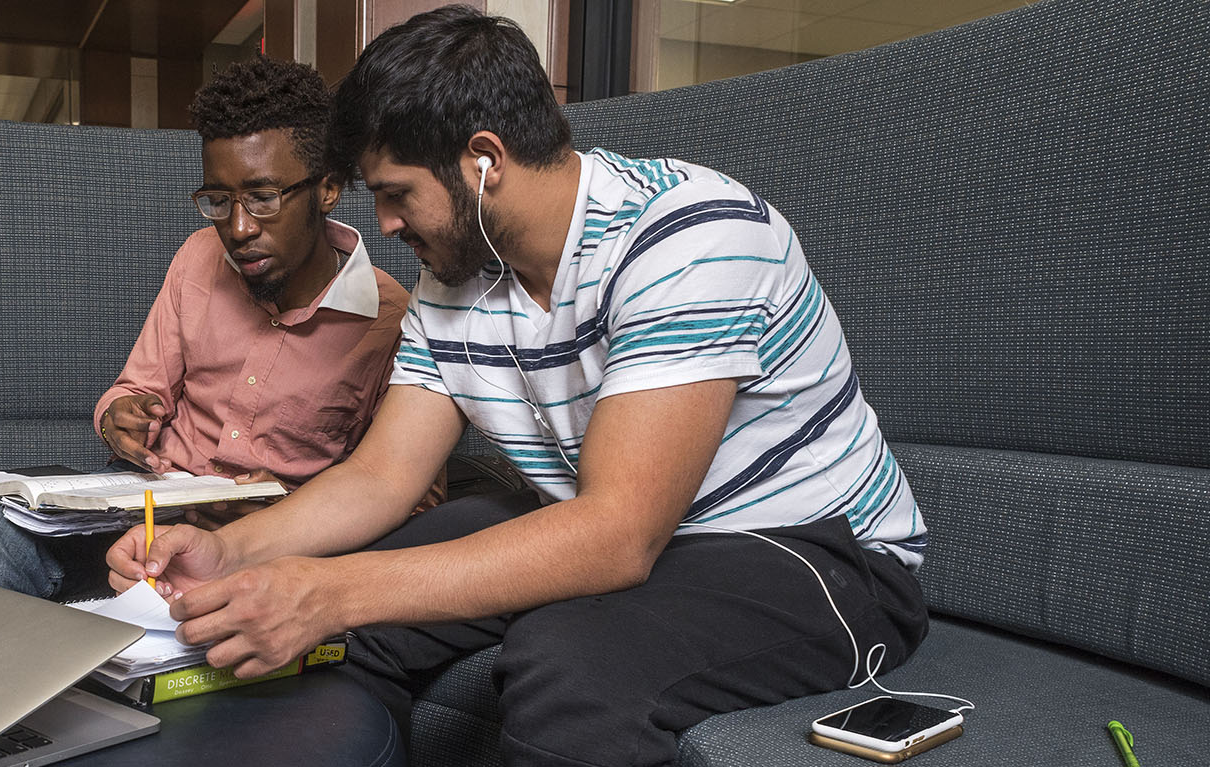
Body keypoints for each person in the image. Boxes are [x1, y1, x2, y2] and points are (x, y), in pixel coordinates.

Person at [106, 7, 930, 766]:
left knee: (568, 659)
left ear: (484, 160)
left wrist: (327, 591)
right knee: (364, 602)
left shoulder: (690, 236)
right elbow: (382, 475)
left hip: (814, 548)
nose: (385, 227)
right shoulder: (455, 280)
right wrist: (234, 553)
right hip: (602, 517)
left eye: (397, 195)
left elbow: (617, 533)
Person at [0, 57, 417, 599]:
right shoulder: (198, 258)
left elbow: (410, 495)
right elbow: (135, 392)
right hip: (144, 522)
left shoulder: (391, 321)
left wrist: (284, 512)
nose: (237, 228)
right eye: (218, 200)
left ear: (328, 188)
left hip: (269, 552)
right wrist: (119, 420)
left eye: (263, 198)